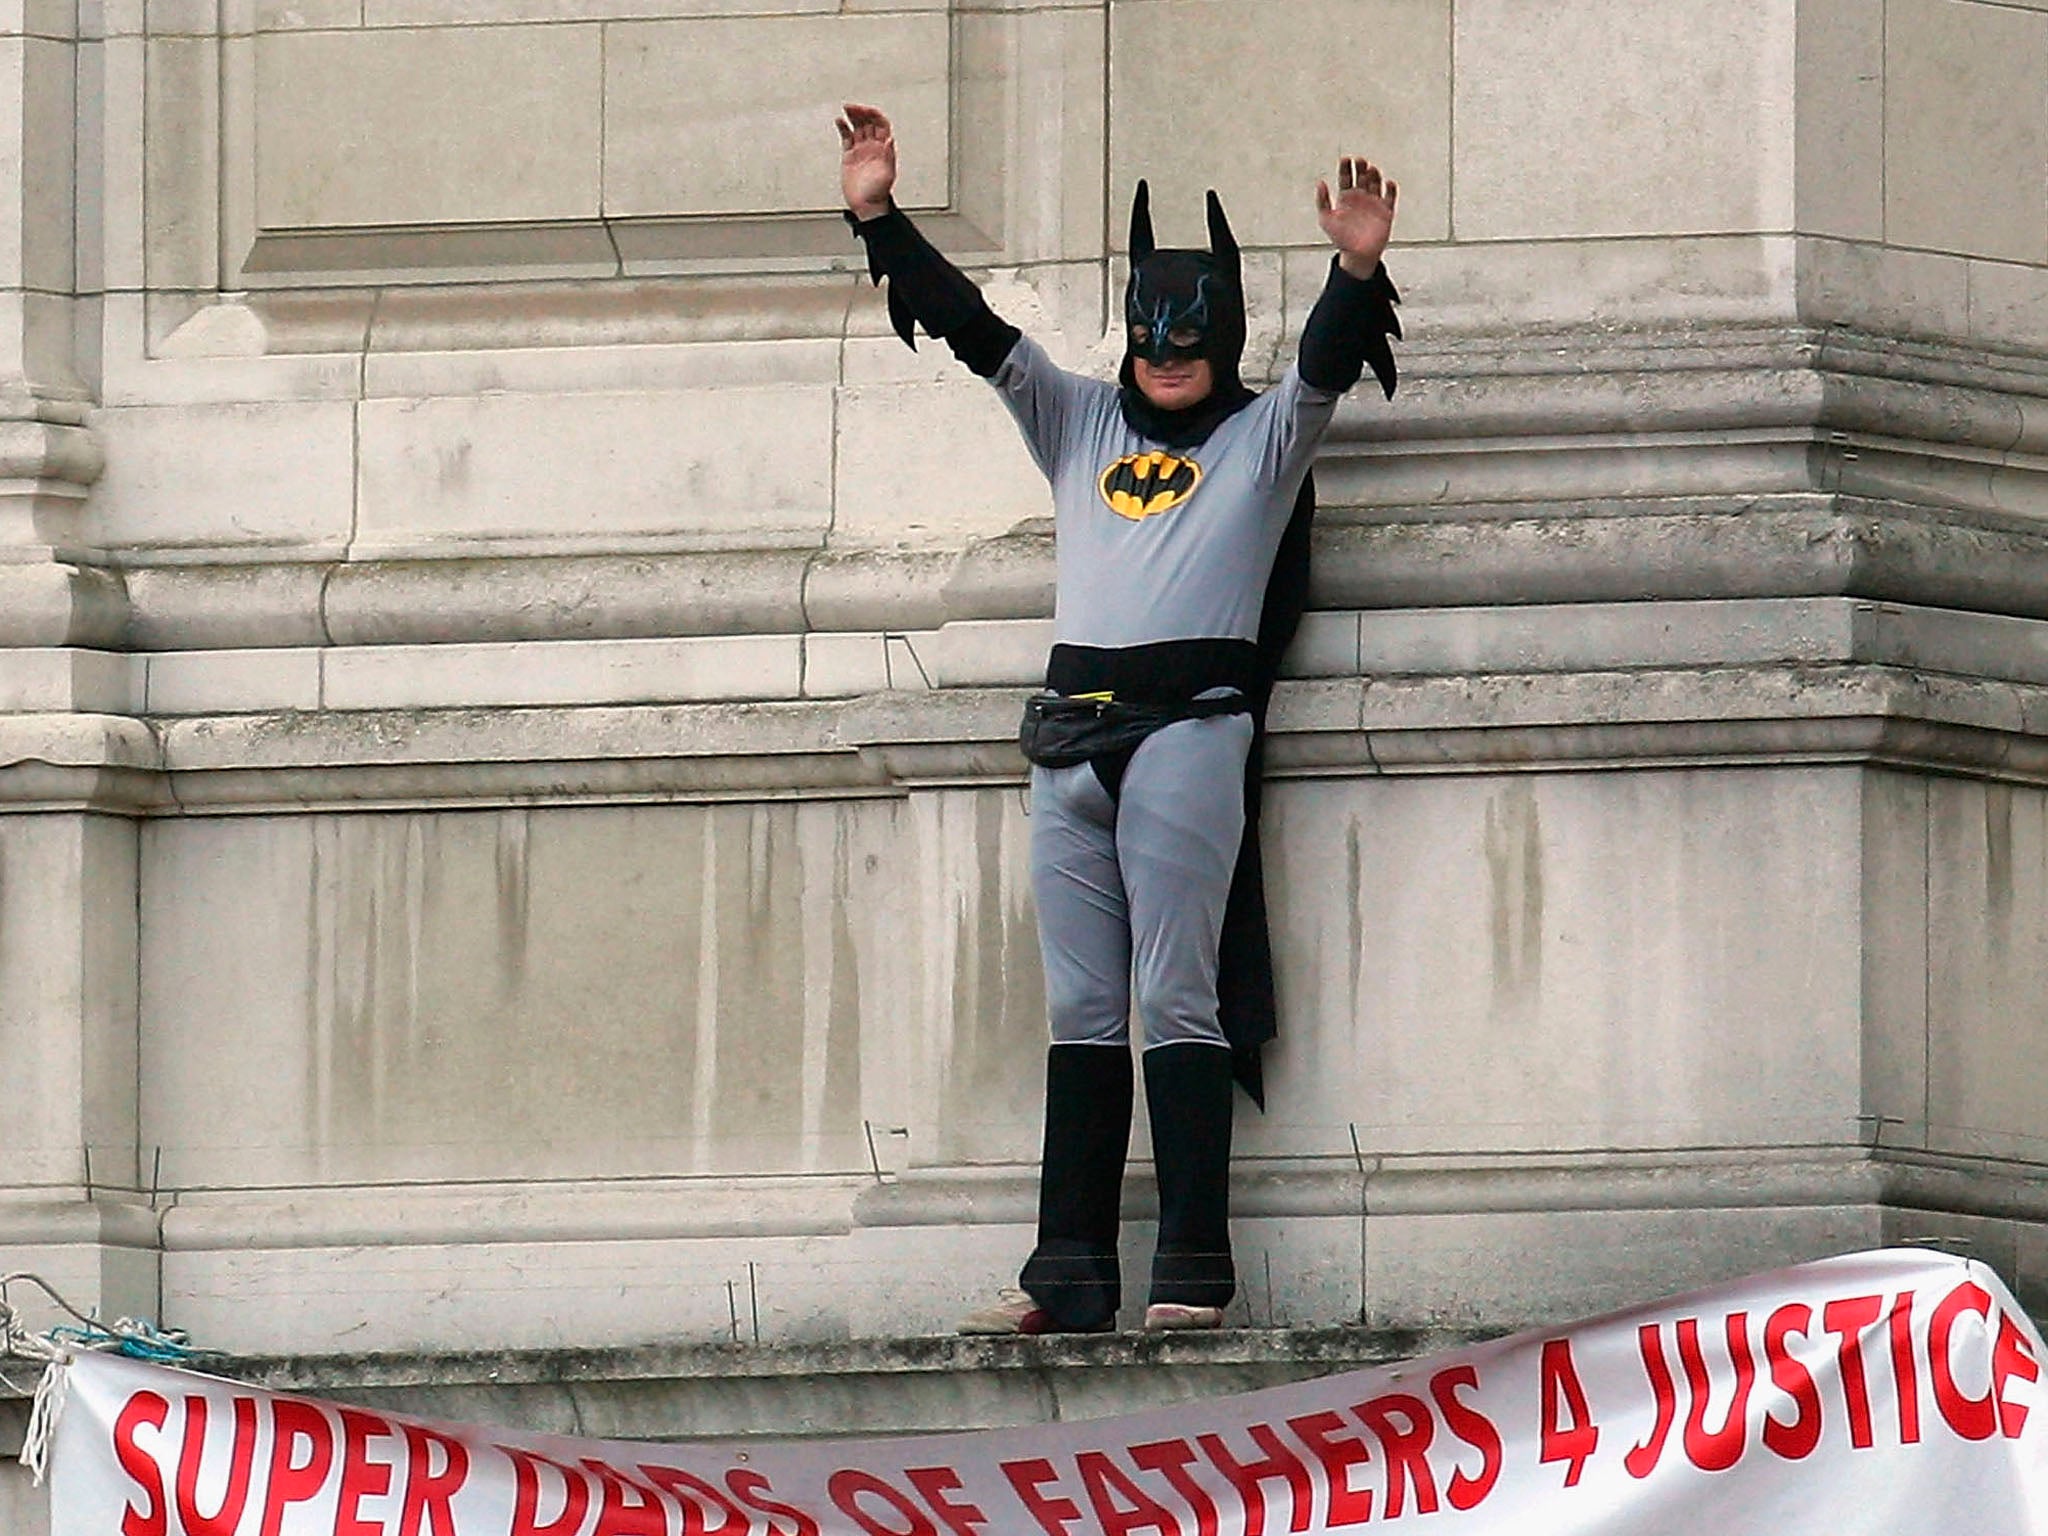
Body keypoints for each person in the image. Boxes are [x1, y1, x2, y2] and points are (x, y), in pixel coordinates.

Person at [836, 103, 1401, 1333]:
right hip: (1068, 743)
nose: (1167, 353)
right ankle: (1069, 1274)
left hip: (1188, 731)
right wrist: (879, 217)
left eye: (1190, 335)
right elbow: (977, 331)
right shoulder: (1077, 419)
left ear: (1222, 334)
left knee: (1175, 998)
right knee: (1081, 1013)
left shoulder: (1259, 441)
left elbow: (1319, 371)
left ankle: (1191, 1271)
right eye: (1150, 332)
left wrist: (1355, 271)